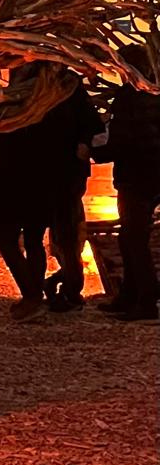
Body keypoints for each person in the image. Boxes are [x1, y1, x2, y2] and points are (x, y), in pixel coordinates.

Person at [0, 69, 102, 322]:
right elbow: (2, 138)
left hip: (40, 178)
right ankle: (34, 293)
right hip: (25, 177)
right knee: (21, 239)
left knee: (32, 238)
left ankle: (38, 295)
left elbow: (91, 126)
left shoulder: (62, 88)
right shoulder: (27, 88)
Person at [97, 50, 160, 322]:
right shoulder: (155, 92)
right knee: (132, 238)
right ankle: (129, 295)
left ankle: (145, 301)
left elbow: (125, 138)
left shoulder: (129, 97)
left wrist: (97, 152)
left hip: (137, 177)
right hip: (152, 174)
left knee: (133, 239)